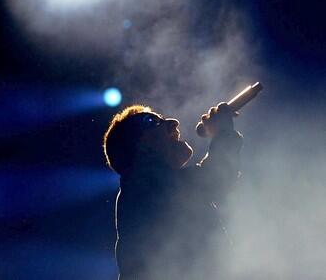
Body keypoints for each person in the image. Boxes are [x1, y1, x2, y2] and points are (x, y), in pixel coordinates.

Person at [103, 103, 243, 280]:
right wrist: (223, 133)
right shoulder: (142, 185)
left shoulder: (144, 188)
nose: (173, 122)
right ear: (141, 147)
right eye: (151, 121)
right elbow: (215, 179)